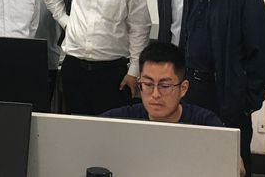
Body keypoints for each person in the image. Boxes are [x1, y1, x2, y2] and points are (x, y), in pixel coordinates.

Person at [178, 0, 265, 175]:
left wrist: (247, 101)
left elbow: (260, 53)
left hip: (228, 97)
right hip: (192, 93)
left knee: (230, 165)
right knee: (194, 161)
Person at [103, 42, 245, 177]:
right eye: (148, 84)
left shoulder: (204, 122)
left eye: (165, 86)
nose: (156, 94)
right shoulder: (122, 119)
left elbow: (238, 168)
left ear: (183, 88)